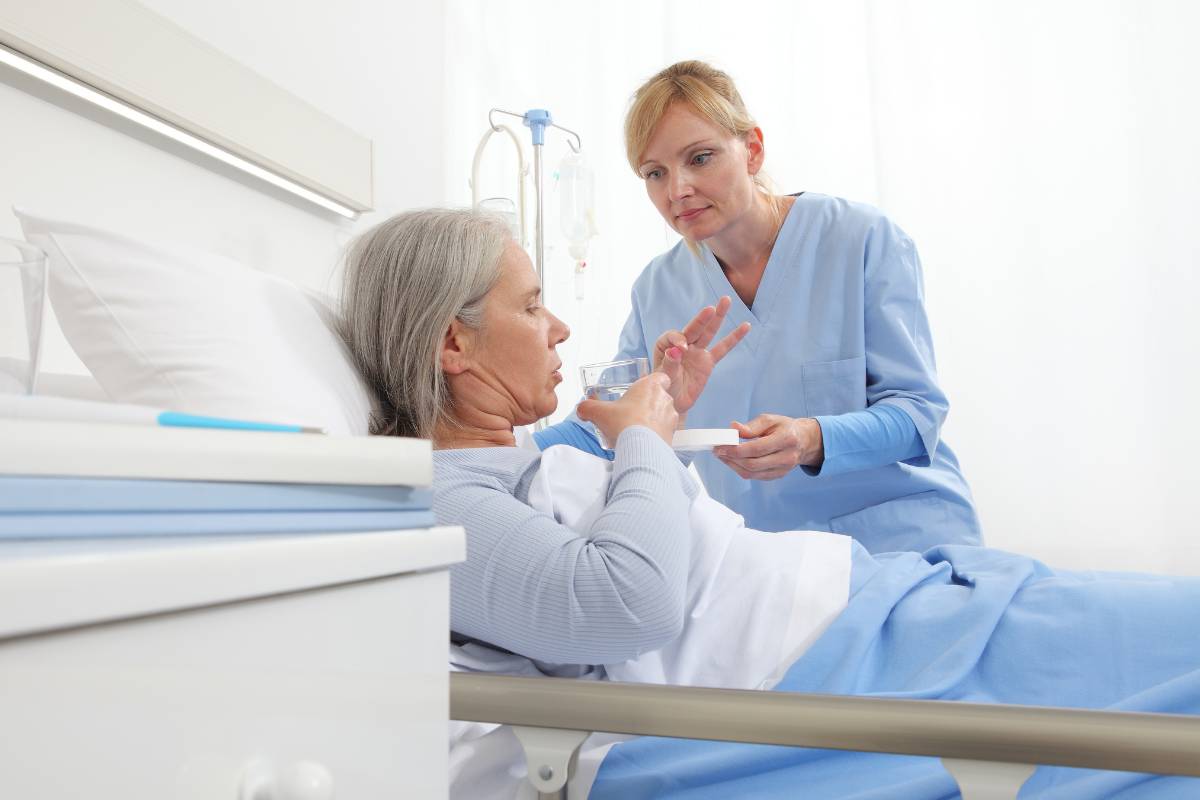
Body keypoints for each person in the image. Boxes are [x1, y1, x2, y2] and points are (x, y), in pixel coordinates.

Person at [338, 208, 1200, 799]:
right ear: (454, 343)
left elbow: (624, 503)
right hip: (836, 664)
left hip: (877, 606)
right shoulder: (433, 499)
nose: (560, 328)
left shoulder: (527, 454)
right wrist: (642, 437)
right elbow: (620, 601)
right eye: (531, 306)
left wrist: (654, 416)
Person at [534, 60, 980, 554]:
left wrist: (811, 437)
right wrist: (486, 455)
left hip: (906, 537)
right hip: (773, 561)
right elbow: (611, 425)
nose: (676, 190)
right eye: (654, 172)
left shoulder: (862, 241)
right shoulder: (657, 289)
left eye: (699, 158)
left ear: (752, 149)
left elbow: (918, 416)